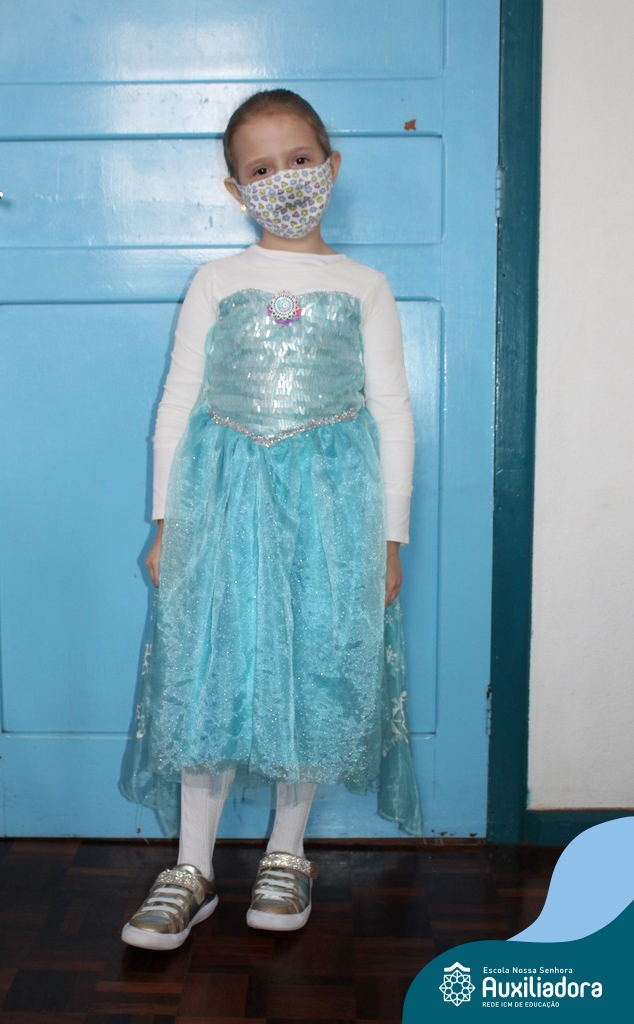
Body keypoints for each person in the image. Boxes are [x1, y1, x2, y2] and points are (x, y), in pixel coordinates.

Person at [119, 89, 421, 951]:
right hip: (221, 503)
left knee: (313, 663)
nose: (284, 180)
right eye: (261, 169)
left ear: (332, 166)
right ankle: (192, 868)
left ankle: (288, 854)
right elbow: (178, 403)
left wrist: (390, 536)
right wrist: (167, 522)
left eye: (299, 160)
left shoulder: (364, 286)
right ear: (234, 190)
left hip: (332, 510)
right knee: (208, 669)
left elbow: (392, 411)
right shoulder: (216, 282)